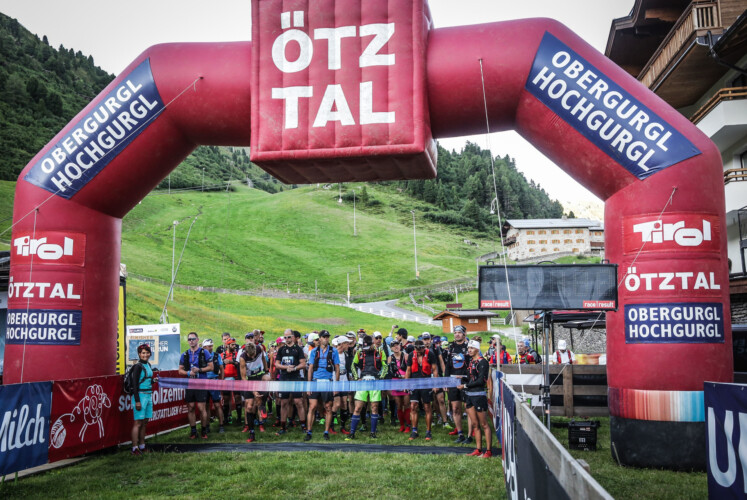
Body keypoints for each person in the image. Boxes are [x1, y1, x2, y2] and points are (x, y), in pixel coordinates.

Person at [347, 335, 388, 439]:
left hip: (375, 381)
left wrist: (380, 377)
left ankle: (373, 432)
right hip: (363, 381)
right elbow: (353, 365)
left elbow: (385, 366)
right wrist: (357, 378)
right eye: (364, 347)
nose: (366, 349)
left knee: (374, 407)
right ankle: (352, 433)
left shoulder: (380, 351)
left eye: (367, 347)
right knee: (358, 407)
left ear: (372, 343)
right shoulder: (359, 352)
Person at [458, 340, 493, 458]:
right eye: (468, 348)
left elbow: (481, 381)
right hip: (469, 395)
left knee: (484, 424)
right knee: (474, 424)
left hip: (478, 395)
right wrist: (461, 378)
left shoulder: (483, 362)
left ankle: (488, 451)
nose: (469, 350)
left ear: (477, 349)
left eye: (471, 348)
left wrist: (465, 385)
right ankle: (478, 449)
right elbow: (470, 378)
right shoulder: (471, 361)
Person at [305, 330, 340, 441]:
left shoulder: (333, 351)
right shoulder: (314, 351)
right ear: (319, 338)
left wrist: (336, 385)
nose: (326, 339)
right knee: (312, 406)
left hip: (327, 381)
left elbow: (337, 368)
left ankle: (326, 431)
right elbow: (310, 368)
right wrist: (309, 385)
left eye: (327, 337)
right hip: (315, 381)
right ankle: (309, 431)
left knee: (328, 407)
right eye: (324, 337)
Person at [178, 332, 214, 439]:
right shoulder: (185, 354)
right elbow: (180, 370)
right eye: (189, 339)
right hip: (190, 384)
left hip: (201, 383)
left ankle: (204, 430)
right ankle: (193, 431)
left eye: (193, 339)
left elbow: (211, 367)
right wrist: (188, 373)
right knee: (191, 407)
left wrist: (200, 370)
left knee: (201, 407)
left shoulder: (204, 352)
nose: (191, 341)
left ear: (197, 339)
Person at [406, 339, 440, 441]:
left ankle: (428, 431)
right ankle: (414, 431)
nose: (419, 351)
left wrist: (435, 384)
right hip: (414, 383)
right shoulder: (411, 355)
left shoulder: (430, 354)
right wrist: (406, 384)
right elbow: (408, 370)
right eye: (417, 349)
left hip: (426, 382)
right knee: (413, 406)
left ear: (423, 348)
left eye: (420, 349)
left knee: (427, 407)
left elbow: (435, 369)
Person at [275, 329, 307, 435]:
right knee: (284, 402)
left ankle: (303, 426)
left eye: (289, 337)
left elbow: (303, 364)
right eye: (285, 337)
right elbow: (277, 364)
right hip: (284, 378)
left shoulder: (298, 349)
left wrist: (294, 368)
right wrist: (286, 367)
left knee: (298, 402)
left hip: (295, 377)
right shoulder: (281, 349)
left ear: (293, 337)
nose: (287, 339)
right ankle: (283, 427)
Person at [446, 325, 471, 444]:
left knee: (468, 408)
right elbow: (447, 365)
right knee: (455, 408)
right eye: (455, 332)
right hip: (453, 380)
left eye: (459, 332)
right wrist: (446, 381)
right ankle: (460, 433)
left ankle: (470, 435)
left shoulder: (469, 346)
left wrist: (469, 378)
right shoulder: (451, 348)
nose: (457, 334)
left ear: (464, 334)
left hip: (465, 380)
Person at [240, 342, 268, 442]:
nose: (252, 357)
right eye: (250, 355)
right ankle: (251, 432)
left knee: (268, 379)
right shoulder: (243, 358)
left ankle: (262, 405)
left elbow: (264, 359)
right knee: (249, 407)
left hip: (260, 376)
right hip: (249, 380)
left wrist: (266, 370)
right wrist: (253, 391)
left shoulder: (260, 349)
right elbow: (243, 378)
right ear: (246, 352)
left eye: (254, 354)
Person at [130, 344, 156, 455]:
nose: (145, 355)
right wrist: (137, 401)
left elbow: (146, 380)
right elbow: (134, 385)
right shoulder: (138, 366)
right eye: (143, 353)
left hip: (148, 395)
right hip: (140, 396)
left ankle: (142, 445)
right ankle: (134, 448)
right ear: (139, 354)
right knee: (138, 423)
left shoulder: (148, 365)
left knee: (145, 422)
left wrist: (153, 381)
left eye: (147, 352)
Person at [424, 333, 450, 429]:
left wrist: (445, 377)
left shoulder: (436, 348)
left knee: (441, 399)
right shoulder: (420, 349)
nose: (427, 341)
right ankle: (433, 419)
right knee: (431, 400)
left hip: (437, 376)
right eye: (425, 339)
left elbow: (442, 362)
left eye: (428, 339)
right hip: (426, 377)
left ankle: (445, 422)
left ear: (430, 339)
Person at [387, 340, 411, 433]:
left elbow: (410, 369)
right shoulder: (390, 358)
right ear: (391, 348)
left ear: (400, 346)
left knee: (406, 404)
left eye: (397, 345)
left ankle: (408, 425)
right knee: (399, 405)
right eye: (394, 346)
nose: (396, 347)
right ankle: (402, 425)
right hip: (396, 381)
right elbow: (389, 371)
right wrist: (399, 376)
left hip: (405, 381)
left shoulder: (406, 356)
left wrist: (406, 376)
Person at [202, 339, 225, 434]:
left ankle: (221, 425)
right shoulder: (201, 356)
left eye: (212, 346)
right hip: (204, 382)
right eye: (209, 346)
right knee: (206, 405)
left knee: (217, 405)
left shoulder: (216, 355)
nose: (211, 347)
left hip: (214, 381)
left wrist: (222, 381)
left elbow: (221, 368)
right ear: (204, 347)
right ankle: (207, 426)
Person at [333, 336, 353, 434]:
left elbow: (348, 369)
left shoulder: (346, 355)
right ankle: (331, 426)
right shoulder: (333, 354)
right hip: (335, 382)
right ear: (342, 344)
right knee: (336, 404)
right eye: (347, 343)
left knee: (344, 404)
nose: (349, 345)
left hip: (344, 382)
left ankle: (342, 426)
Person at [221, 338, 242, 425]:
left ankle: (239, 418)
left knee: (237, 398)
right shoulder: (222, 355)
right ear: (227, 345)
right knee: (226, 399)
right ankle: (226, 418)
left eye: (235, 344)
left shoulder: (237, 354)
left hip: (236, 378)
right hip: (226, 379)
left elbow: (240, 364)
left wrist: (231, 362)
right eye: (232, 344)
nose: (234, 346)